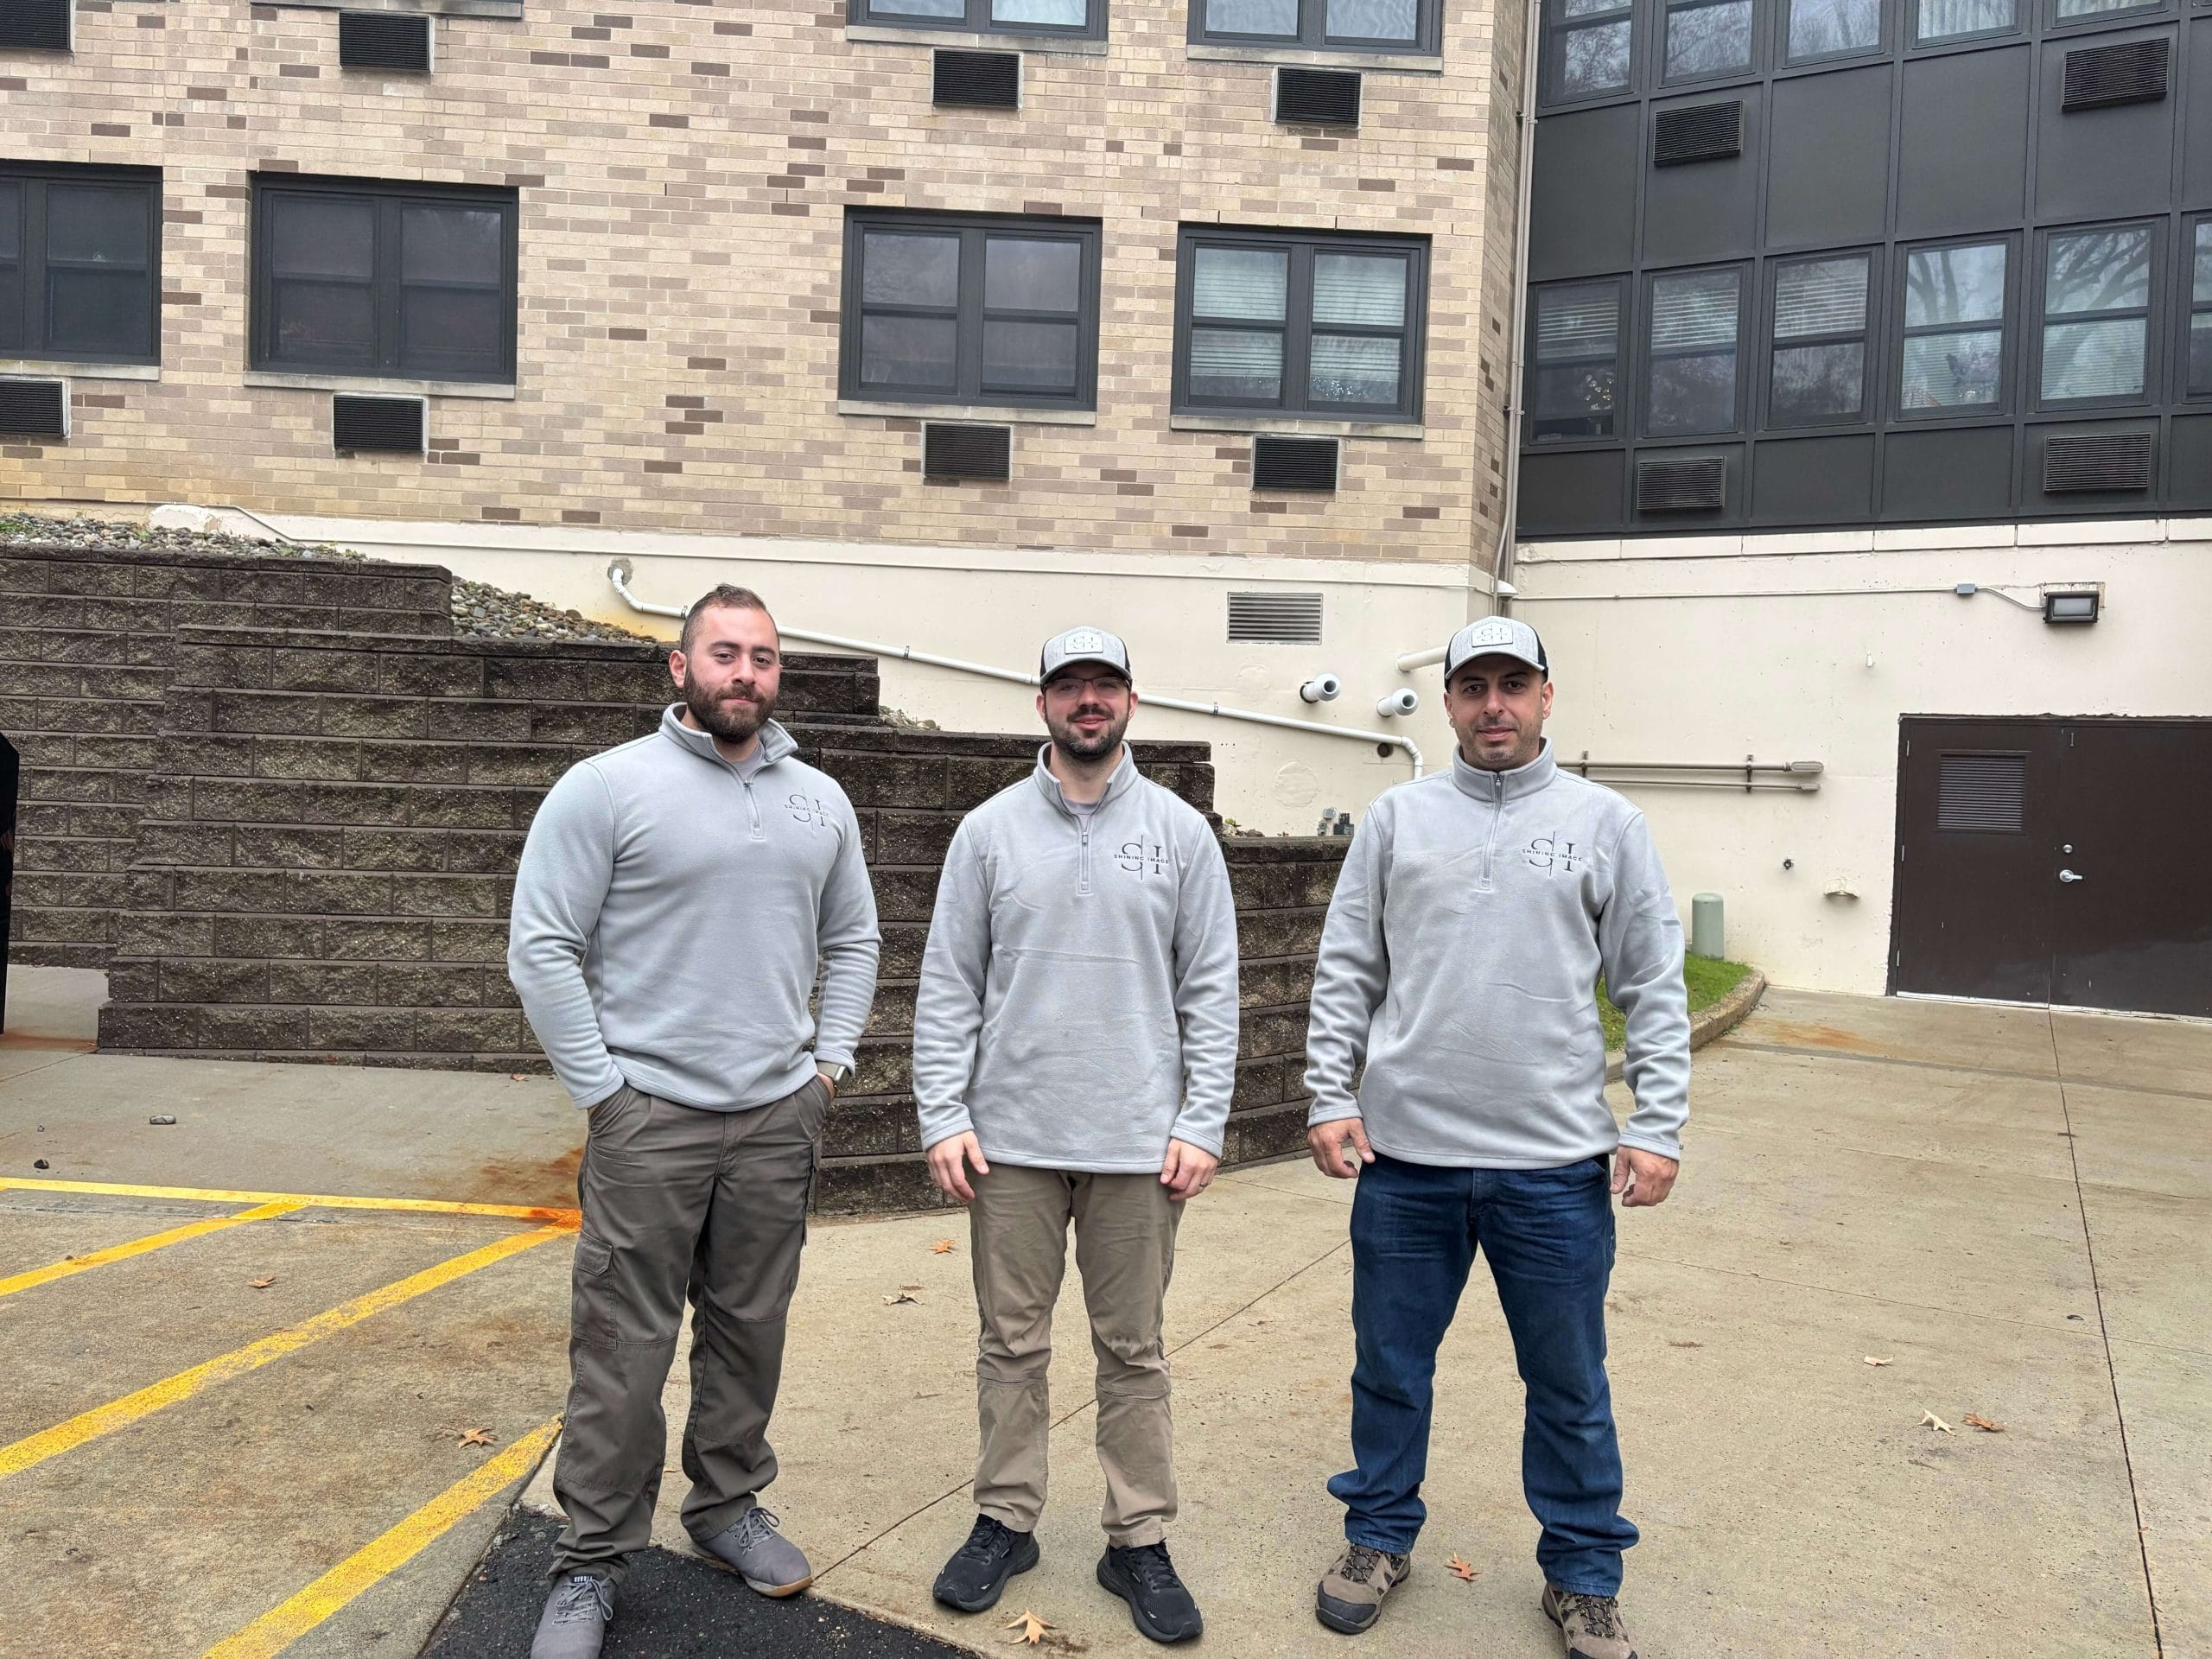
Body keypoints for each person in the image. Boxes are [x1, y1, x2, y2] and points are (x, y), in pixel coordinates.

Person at [1302, 614, 1689, 1659]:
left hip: (1553, 1167)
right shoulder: (1397, 820)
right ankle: (1377, 1538)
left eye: (1512, 685)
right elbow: (1347, 968)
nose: (1493, 706)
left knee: (1568, 1383)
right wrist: (1328, 1097)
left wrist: (1657, 1126)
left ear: (1546, 697)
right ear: (1449, 703)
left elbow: (1650, 986)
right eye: (1473, 687)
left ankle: (1582, 1574)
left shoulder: (1605, 824)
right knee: (1388, 1369)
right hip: (1406, 1162)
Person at [508, 584, 880, 1659]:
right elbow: (540, 947)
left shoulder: (821, 802)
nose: (745, 674)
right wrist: (604, 1096)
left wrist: (826, 1069)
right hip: (650, 1118)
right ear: (680, 669)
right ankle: (588, 1562)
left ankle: (724, 1506)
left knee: (748, 1331)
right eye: (724, 653)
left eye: (762, 657)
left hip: (777, 1116)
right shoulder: (607, 788)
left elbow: (853, 940)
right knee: (622, 1351)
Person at [911, 626, 1240, 1646]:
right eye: (1068, 686)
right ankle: (1005, 1519)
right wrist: (942, 1111)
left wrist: (1201, 1121)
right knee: (1009, 1344)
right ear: (1042, 702)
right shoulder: (989, 831)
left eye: (1104, 685)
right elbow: (947, 982)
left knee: (1131, 1352)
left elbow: (1213, 989)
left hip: (1138, 1146)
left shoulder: (1181, 833)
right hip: (1010, 1139)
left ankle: (1135, 1536)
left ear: (1130, 702)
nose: (1086, 701)